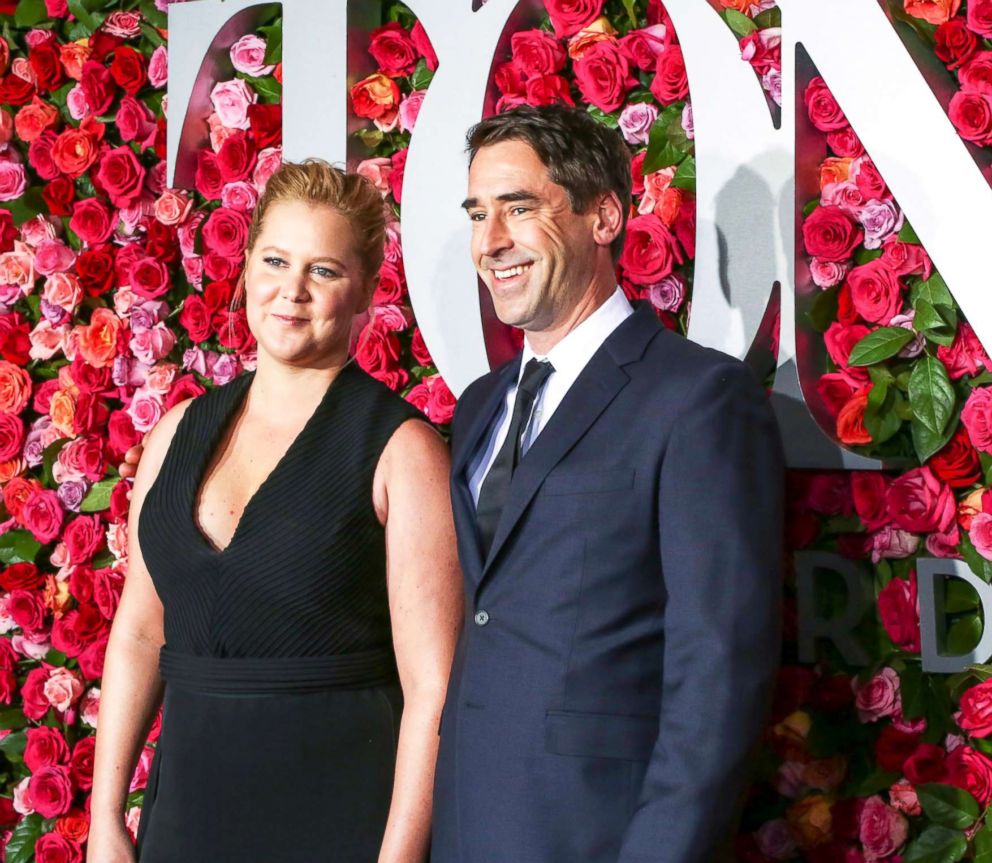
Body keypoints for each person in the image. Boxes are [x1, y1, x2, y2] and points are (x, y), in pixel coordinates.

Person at [430, 105, 784, 863]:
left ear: (605, 216)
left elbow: (718, 671)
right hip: (467, 824)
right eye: (478, 214)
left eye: (519, 209)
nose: (490, 242)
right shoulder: (480, 406)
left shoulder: (695, 399)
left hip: (600, 836)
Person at [88, 160, 462, 863]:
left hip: (340, 813)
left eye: (323, 271)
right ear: (249, 267)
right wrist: (107, 815)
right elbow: (140, 630)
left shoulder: (403, 451)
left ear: (366, 294)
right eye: (276, 260)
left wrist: (400, 858)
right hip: (186, 818)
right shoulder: (177, 430)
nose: (292, 290)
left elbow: (433, 688)